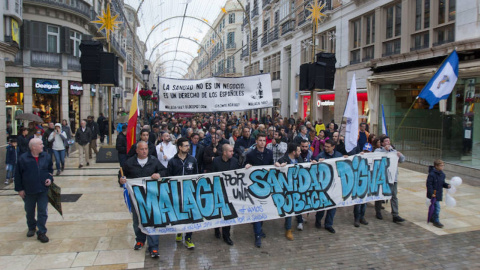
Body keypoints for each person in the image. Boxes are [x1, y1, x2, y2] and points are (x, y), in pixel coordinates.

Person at [119, 141, 165, 258]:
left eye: (146, 149)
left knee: (152, 221)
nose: (144, 151)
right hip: (136, 197)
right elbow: (121, 175)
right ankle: (140, 239)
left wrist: (159, 175)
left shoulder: (154, 161)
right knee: (137, 220)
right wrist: (121, 180)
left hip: (151, 197)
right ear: (137, 150)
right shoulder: (129, 163)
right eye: (142, 149)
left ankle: (153, 247)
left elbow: (164, 171)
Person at [14, 138, 53, 243]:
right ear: (33, 147)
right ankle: (31, 227)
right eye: (40, 144)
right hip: (29, 190)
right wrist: (20, 189)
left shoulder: (46, 156)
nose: (43, 146)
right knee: (29, 210)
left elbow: (50, 170)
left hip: (43, 190)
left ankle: (41, 231)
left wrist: (50, 179)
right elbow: (17, 175)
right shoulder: (23, 158)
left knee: (42, 211)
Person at [167, 137, 198, 249]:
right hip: (177, 193)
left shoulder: (192, 160)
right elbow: (168, 177)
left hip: (189, 192)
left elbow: (196, 175)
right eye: (185, 146)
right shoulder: (172, 161)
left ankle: (188, 238)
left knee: (190, 215)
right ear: (179, 147)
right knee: (179, 214)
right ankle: (179, 231)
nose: (188, 147)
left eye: (188, 145)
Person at [244, 133, 273, 248]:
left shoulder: (269, 153)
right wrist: (247, 165)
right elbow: (245, 165)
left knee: (263, 209)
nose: (262, 142)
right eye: (260, 140)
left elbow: (271, 167)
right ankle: (257, 235)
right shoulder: (250, 154)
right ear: (256, 141)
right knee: (257, 211)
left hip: (266, 186)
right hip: (254, 187)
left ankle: (259, 229)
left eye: (264, 140)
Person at [312, 139, 344, 234]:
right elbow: (314, 166)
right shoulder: (321, 155)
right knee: (322, 206)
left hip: (335, 185)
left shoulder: (338, 155)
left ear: (333, 147)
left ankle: (328, 224)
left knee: (333, 206)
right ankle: (318, 220)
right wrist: (317, 162)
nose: (325, 148)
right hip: (324, 185)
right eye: (325, 146)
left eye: (328, 147)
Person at [276, 143, 304, 240]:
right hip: (287, 188)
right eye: (298, 151)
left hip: (298, 187)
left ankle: (300, 220)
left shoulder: (299, 159)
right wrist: (278, 166)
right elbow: (276, 169)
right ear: (294, 152)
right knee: (289, 208)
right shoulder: (283, 160)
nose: (300, 152)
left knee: (299, 204)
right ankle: (288, 229)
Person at [374, 136, 406, 223]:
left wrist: (400, 155)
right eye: (386, 141)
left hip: (393, 178)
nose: (388, 142)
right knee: (380, 194)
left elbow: (402, 160)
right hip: (383, 177)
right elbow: (375, 157)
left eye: (389, 141)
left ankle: (395, 214)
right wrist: (385, 150)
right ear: (382, 143)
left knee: (394, 196)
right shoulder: (378, 150)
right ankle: (378, 211)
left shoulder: (394, 151)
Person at [212, 144, 238, 245]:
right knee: (218, 212)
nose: (232, 153)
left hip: (230, 192)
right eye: (230, 151)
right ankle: (216, 229)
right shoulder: (216, 161)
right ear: (224, 152)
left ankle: (226, 236)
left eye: (232, 151)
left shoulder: (235, 161)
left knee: (228, 213)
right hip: (218, 190)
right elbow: (212, 175)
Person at [426, 159, 451, 228]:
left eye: (443, 165)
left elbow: (442, 183)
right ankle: (436, 221)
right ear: (436, 166)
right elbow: (429, 184)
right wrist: (431, 193)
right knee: (437, 207)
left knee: (434, 206)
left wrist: (447, 185)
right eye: (441, 166)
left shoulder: (442, 174)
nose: (442, 167)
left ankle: (432, 217)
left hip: (438, 193)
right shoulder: (432, 174)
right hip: (433, 194)